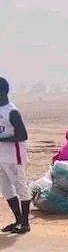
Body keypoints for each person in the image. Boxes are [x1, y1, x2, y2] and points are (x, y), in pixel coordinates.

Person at [0, 78, 31, 234]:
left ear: (3, 92)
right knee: (6, 189)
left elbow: (22, 135)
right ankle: (17, 220)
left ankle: (25, 223)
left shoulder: (12, 111)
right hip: (1, 157)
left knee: (21, 188)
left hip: (14, 156)